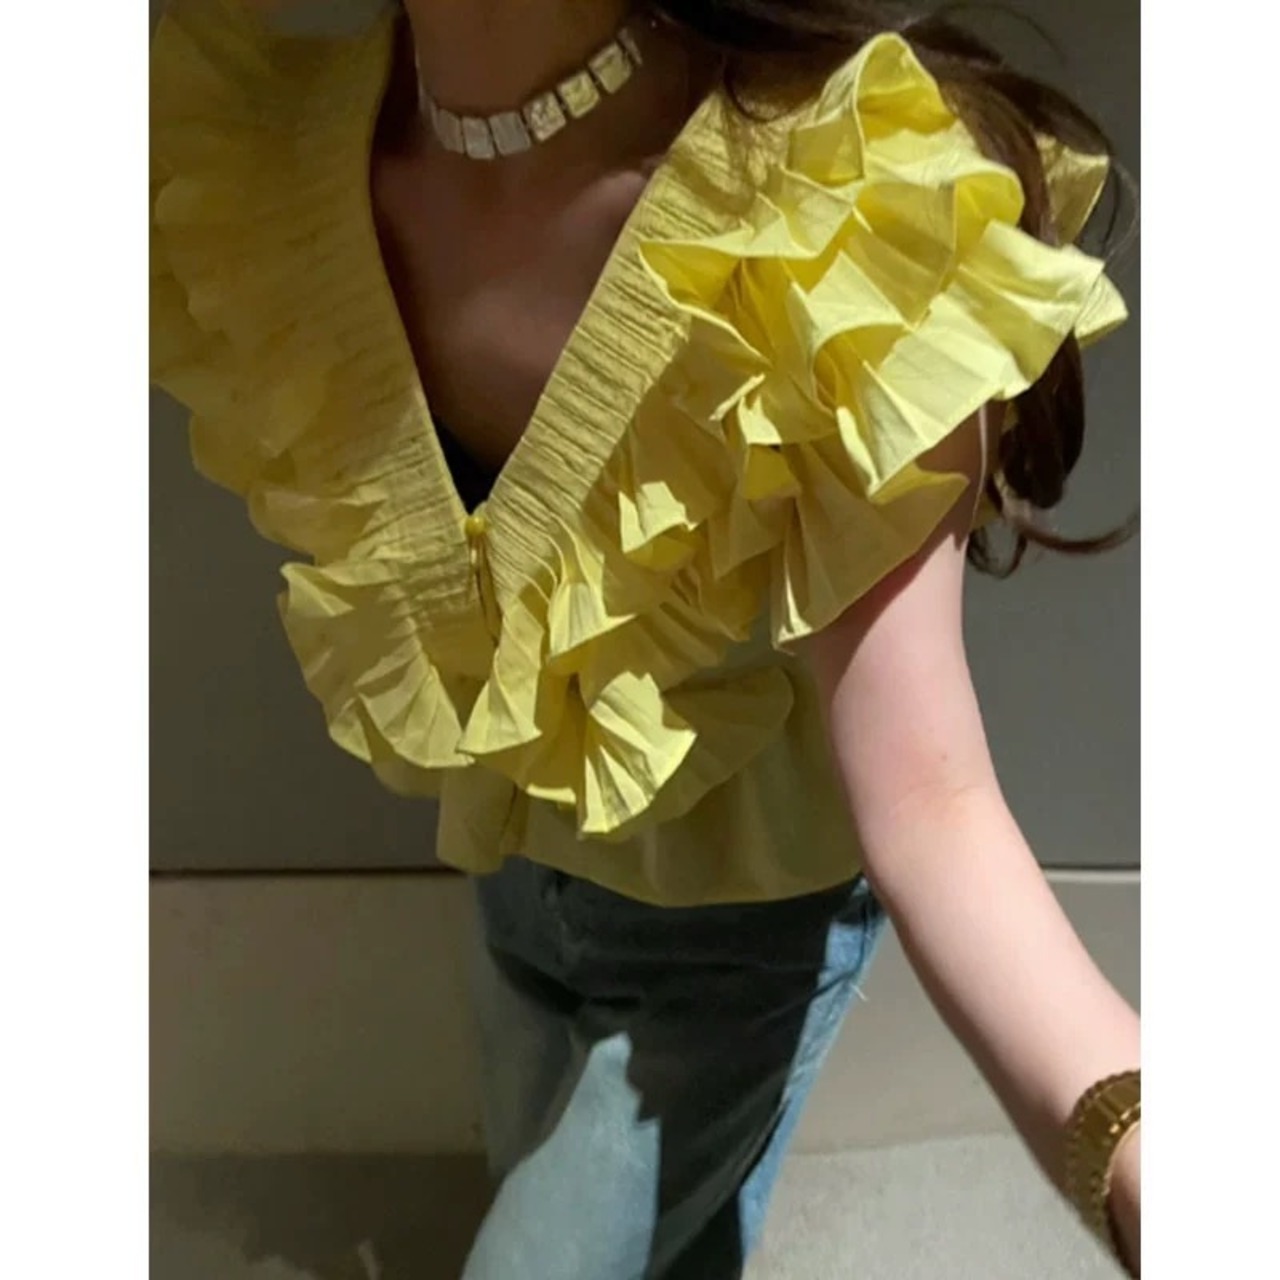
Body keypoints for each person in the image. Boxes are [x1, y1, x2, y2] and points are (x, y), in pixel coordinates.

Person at [150, 0, 1141, 1275]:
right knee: (562, 1178)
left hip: (731, 938)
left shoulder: (838, 225)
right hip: (512, 866)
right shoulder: (265, 153)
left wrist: (1138, 1146)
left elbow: (933, 806)